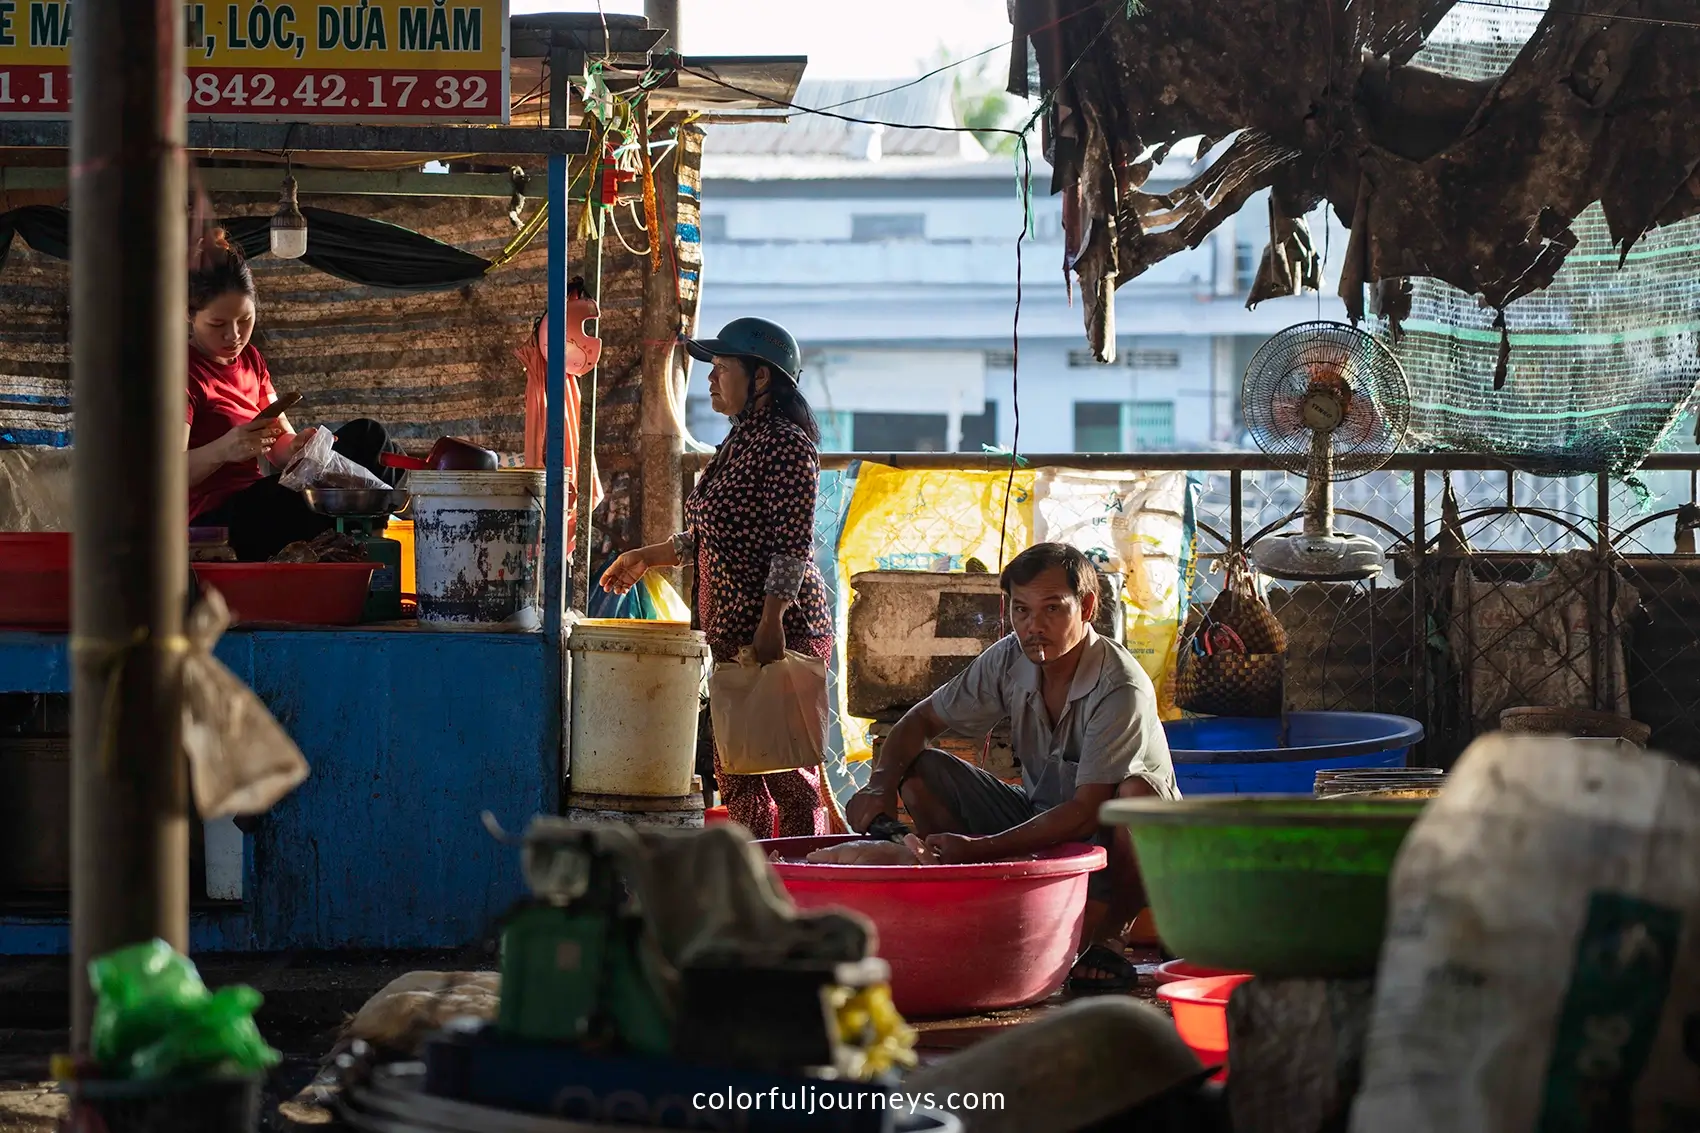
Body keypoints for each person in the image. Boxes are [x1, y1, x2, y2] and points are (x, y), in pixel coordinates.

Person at [845, 541, 1181, 992]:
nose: (1033, 626)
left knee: (1137, 798)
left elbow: (1086, 812)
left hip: (1117, 850)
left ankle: (1109, 938)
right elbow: (921, 719)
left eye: (1051, 609)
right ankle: (973, 908)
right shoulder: (1009, 657)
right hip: (1041, 817)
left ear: (1087, 606)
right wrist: (879, 786)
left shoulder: (1120, 686)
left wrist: (979, 849)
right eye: (1021, 610)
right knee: (924, 772)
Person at [600, 318, 838, 838]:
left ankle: (800, 875)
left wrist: (772, 620)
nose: (711, 378)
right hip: (734, 636)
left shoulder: (787, 445)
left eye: (723, 368)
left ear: (762, 379)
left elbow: (792, 544)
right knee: (738, 775)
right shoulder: (735, 445)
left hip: (780, 636)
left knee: (784, 773)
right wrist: (644, 556)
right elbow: (704, 536)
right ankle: (758, 874)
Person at [185, 228, 399, 562]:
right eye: (217, 324)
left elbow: (280, 446)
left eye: (245, 319)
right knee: (288, 501)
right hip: (219, 521)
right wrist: (223, 450)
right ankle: (351, 543)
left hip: (264, 501)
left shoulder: (251, 360)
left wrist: (299, 447)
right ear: (188, 315)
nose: (234, 335)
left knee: (371, 438)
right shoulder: (177, 373)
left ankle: (370, 542)